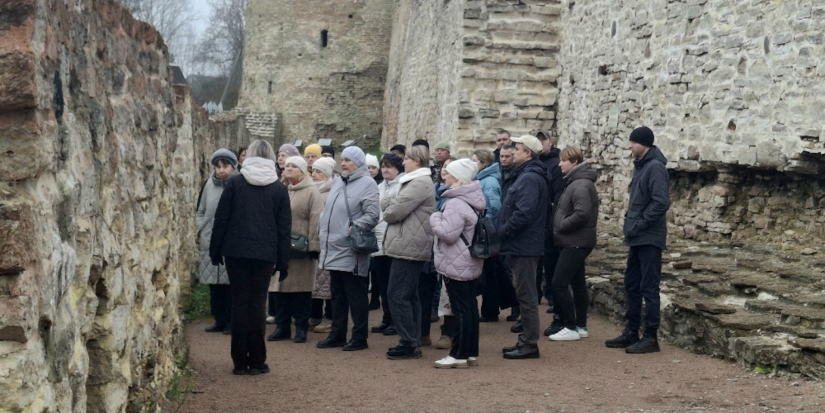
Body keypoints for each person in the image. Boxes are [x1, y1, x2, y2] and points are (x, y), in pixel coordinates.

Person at [209, 140, 291, 376]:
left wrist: (216, 250)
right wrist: (283, 260)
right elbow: (283, 228)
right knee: (256, 305)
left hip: (236, 250)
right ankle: (256, 360)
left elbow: (221, 219)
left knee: (239, 303)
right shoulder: (278, 188)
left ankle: (239, 362)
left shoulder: (235, 182)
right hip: (264, 253)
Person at [606, 126, 670, 354]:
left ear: (645, 143)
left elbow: (661, 202)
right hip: (636, 236)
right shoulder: (641, 165)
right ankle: (632, 331)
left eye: (633, 142)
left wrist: (640, 223)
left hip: (648, 237)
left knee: (649, 287)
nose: (629, 145)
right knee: (632, 284)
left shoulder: (654, 167)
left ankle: (651, 337)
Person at [317, 146, 380, 351]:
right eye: (342, 159)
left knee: (356, 295)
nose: (343, 163)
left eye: (348, 160)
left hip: (351, 248)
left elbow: (372, 215)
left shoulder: (368, 184)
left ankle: (360, 337)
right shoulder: (338, 182)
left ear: (359, 163)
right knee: (337, 295)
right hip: (333, 246)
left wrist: (353, 229)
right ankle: (337, 334)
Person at [381, 145, 436, 360]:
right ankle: (412, 339)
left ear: (417, 162)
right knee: (409, 294)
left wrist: (389, 204)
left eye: (407, 160)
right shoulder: (415, 182)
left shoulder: (420, 182)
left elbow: (393, 210)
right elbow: (390, 203)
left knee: (397, 294)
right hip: (408, 244)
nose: (403, 163)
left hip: (410, 246)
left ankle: (408, 341)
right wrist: (389, 203)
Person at [430, 159, 485, 369]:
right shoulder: (472, 199)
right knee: (469, 308)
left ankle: (458, 354)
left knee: (461, 309)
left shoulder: (455, 202)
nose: (445, 176)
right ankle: (470, 351)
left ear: (458, 177)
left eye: (449, 173)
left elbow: (448, 234)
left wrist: (435, 218)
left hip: (457, 261)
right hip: (467, 259)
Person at [499, 135, 548, 360]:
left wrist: (504, 231)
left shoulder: (529, 178)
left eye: (516, 149)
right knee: (524, 293)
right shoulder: (526, 175)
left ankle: (529, 344)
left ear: (528, 153)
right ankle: (527, 341)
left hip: (524, 245)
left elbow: (524, 213)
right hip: (522, 244)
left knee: (527, 296)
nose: (512, 151)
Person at [267, 156, 324, 344]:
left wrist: (314, 245)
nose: (289, 168)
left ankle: (301, 328)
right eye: (287, 165)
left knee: (301, 291)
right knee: (280, 289)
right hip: (281, 247)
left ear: (302, 170)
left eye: (294, 166)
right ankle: (282, 327)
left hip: (302, 249)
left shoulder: (311, 192)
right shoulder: (281, 189)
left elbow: (316, 218)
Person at [547, 147, 599, 341]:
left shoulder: (580, 185)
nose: (560, 164)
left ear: (574, 162)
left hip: (575, 242)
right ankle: (580, 325)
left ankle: (570, 326)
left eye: (563, 160)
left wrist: (561, 225)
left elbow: (582, 213)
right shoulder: (577, 183)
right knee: (577, 284)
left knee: (558, 284)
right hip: (576, 240)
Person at [199, 149, 239, 335]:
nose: (221, 170)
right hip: (210, 237)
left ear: (233, 167)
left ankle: (232, 320)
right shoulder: (209, 184)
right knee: (214, 284)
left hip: (230, 237)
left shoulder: (239, 184)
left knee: (231, 283)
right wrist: (200, 228)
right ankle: (219, 319)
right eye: (218, 166)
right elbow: (201, 209)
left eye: (225, 166)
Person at [532, 128, 565, 334]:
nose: (541, 143)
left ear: (550, 142)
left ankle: (554, 300)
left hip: (550, 221)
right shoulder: (538, 165)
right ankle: (538, 295)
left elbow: (558, 196)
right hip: (539, 221)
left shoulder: (555, 164)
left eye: (543, 140)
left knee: (551, 264)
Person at [370, 154, 405, 336]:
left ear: (398, 169)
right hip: (379, 240)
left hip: (395, 239)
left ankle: (395, 321)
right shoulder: (379, 187)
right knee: (383, 284)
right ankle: (386, 318)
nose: (385, 170)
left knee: (394, 286)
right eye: (383, 166)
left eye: (389, 166)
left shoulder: (402, 186)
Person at [471, 150, 505, 323]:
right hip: (487, 231)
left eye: (475, 160)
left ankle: (490, 311)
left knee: (489, 274)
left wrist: (488, 228)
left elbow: (494, 208)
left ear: (483, 163)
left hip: (487, 233)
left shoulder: (489, 181)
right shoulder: (483, 179)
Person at [309, 157, 337, 333]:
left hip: (328, 242)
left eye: (319, 172)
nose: (314, 175)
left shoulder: (332, 192)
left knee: (328, 282)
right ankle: (315, 314)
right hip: (314, 240)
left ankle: (330, 316)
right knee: (315, 281)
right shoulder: (313, 191)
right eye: (313, 171)